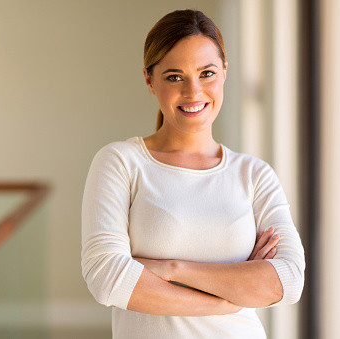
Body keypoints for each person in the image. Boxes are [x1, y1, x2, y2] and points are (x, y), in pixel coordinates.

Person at [81, 9, 304, 339]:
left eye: (207, 73)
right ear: (149, 80)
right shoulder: (121, 162)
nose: (193, 91)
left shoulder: (255, 174)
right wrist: (229, 299)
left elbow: (288, 280)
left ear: (225, 72)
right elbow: (108, 279)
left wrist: (171, 268)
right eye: (174, 76)